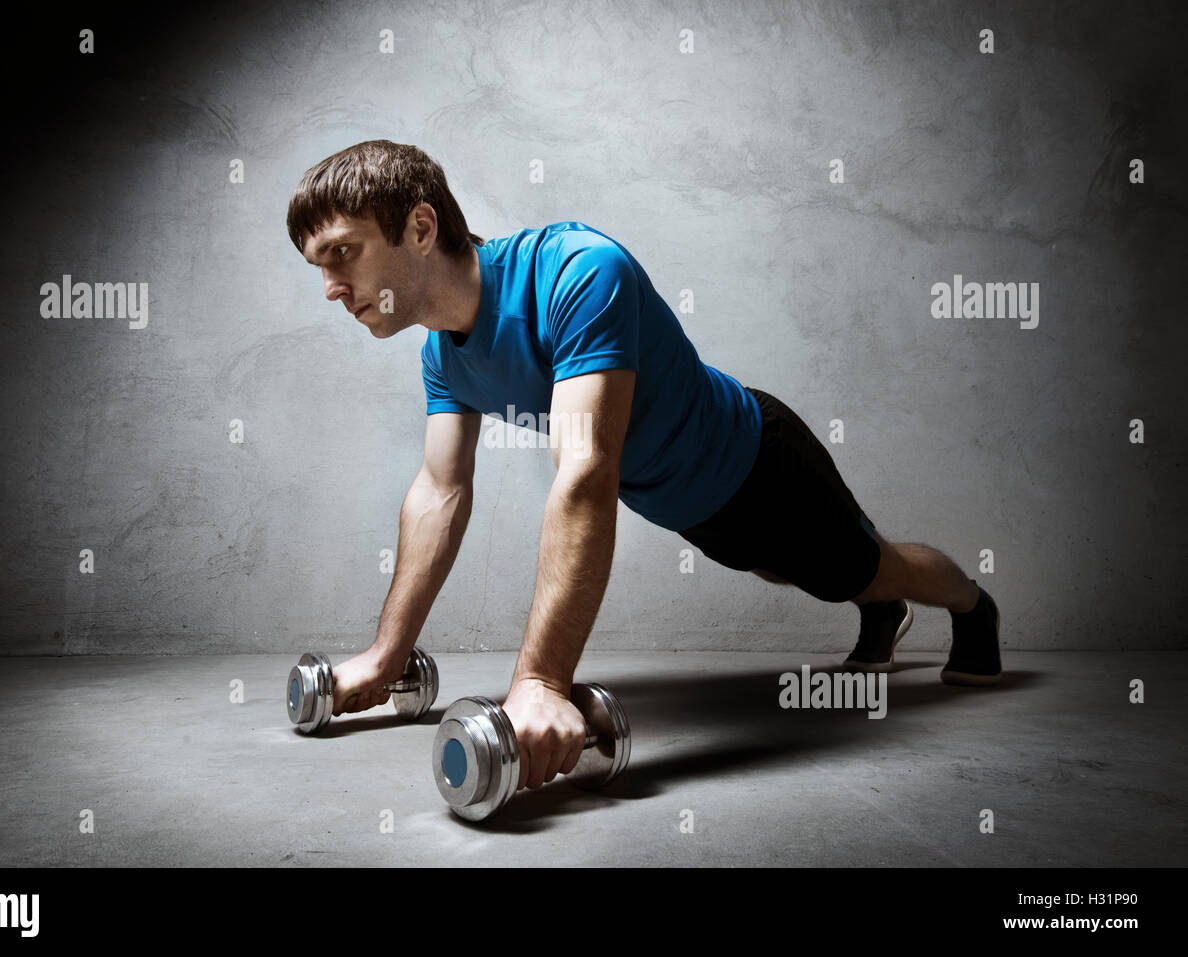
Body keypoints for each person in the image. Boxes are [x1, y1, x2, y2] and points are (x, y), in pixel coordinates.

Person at [286, 140, 1002, 794]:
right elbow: (440, 491)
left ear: (418, 228)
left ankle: (971, 605)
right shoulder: (443, 359)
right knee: (780, 570)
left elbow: (585, 472)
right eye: (319, 265)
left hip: (761, 465)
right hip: (691, 508)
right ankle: (878, 608)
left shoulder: (576, 271)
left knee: (866, 566)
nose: (329, 286)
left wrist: (539, 682)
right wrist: (388, 654)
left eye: (341, 253)